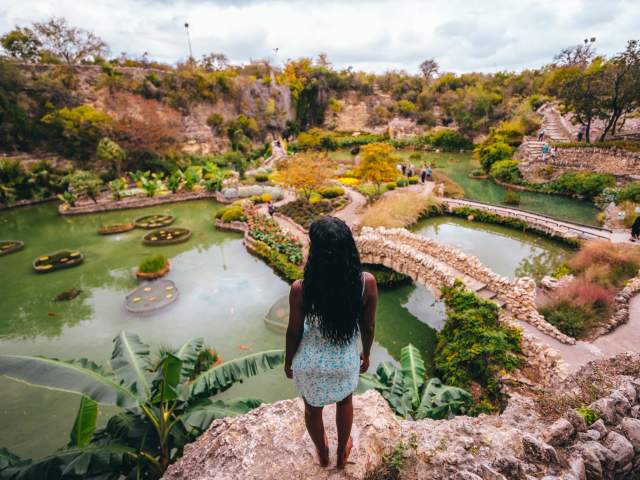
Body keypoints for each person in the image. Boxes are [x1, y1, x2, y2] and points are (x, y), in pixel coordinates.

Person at [285, 217, 377, 468]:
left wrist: (288, 361)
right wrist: (366, 354)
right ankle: (342, 454)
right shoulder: (365, 283)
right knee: (345, 402)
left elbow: (293, 332)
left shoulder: (301, 288)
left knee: (312, 409)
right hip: (344, 362)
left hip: (309, 362)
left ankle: (323, 452)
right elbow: (367, 327)